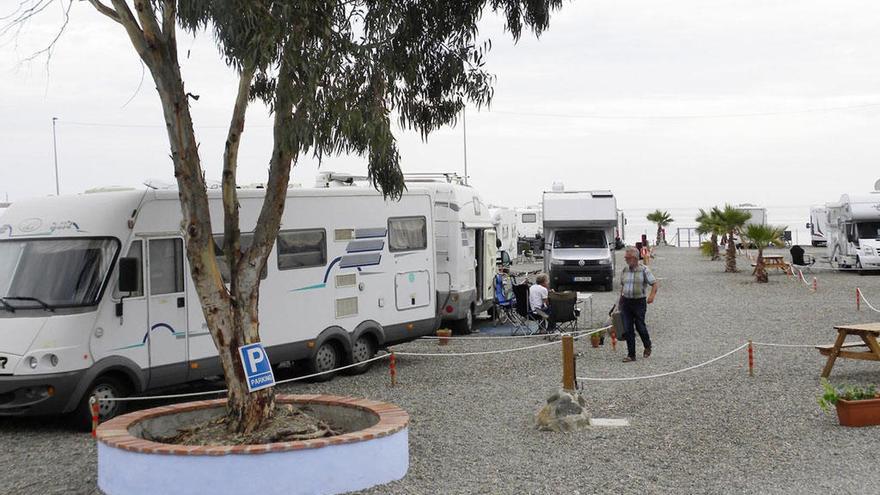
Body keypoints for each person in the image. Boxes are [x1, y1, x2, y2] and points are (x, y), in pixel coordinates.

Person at [619, 246, 659, 362]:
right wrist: (619, 302)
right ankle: (631, 355)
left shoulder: (644, 270)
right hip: (626, 301)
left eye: (627, 257)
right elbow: (623, 286)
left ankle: (647, 345)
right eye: (625, 257)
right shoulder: (624, 270)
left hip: (639, 302)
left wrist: (651, 296)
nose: (625, 259)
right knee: (628, 328)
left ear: (635, 258)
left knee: (640, 326)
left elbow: (655, 284)